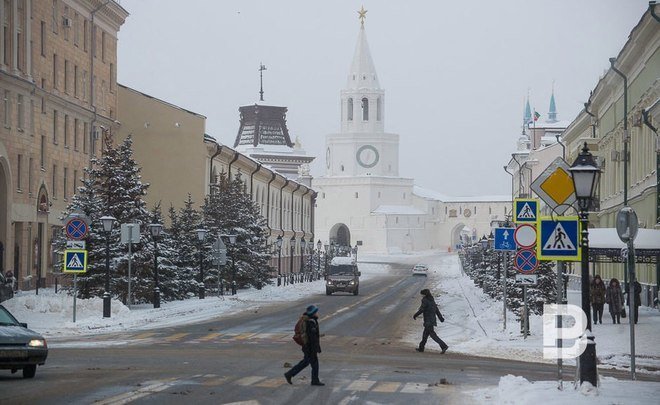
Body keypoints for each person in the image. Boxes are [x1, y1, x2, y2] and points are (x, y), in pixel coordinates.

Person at [285, 305, 324, 386]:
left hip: (307, 347)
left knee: (306, 362)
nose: (317, 313)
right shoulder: (310, 322)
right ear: (313, 313)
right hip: (309, 347)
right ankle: (314, 380)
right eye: (315, 312)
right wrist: (314, 349)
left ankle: (290, 374)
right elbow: (312, 338)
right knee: (313, 364)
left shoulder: (309, 320)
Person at [413, 289, 448, 353]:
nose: (421, 296)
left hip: (428, 320)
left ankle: (444, 346)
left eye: (422, 294)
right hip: (432, 320)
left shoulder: (425, 300)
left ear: (424, 294)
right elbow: (436, 310)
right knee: (425, 335)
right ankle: (421, 348)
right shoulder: (432, 300)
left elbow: (422, 309)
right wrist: (441, 318)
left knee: (433, 335)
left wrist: (415, 315)